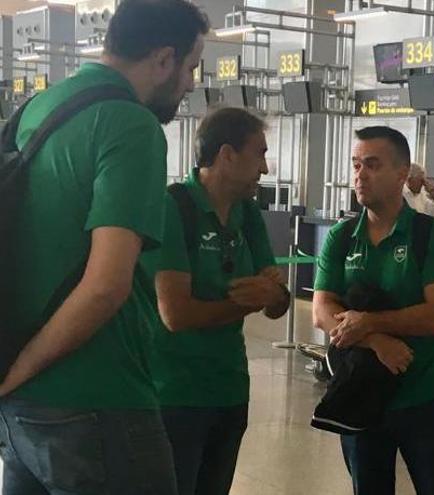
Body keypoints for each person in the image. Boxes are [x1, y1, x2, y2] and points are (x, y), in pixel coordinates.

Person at [0, 1, 208, 493]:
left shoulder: (37, 108)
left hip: (23, 413)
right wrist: (16, 372)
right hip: (97, 400)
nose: (192, 82)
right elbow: (105, 286)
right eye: (191, 65)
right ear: (163, 59)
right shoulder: (129, 124)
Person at [140, 107, 290, 495]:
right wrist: (248, 300)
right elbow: (176, 314)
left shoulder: (248, 214)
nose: (265, 168)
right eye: (259, 153)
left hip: (230, 390)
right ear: (227, 154)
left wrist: (270, 294)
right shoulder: (173, 208)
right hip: (175, 393)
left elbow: (278, 300)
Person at [312, 126, 434, 494]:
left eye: (373, 165)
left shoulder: (431, 235)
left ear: (402, 173)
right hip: (362, 394)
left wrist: (367, 322)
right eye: (356, 165)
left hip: (425, 396)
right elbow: (321, 310)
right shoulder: (342, 237)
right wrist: (376, 339)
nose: (360, 175)